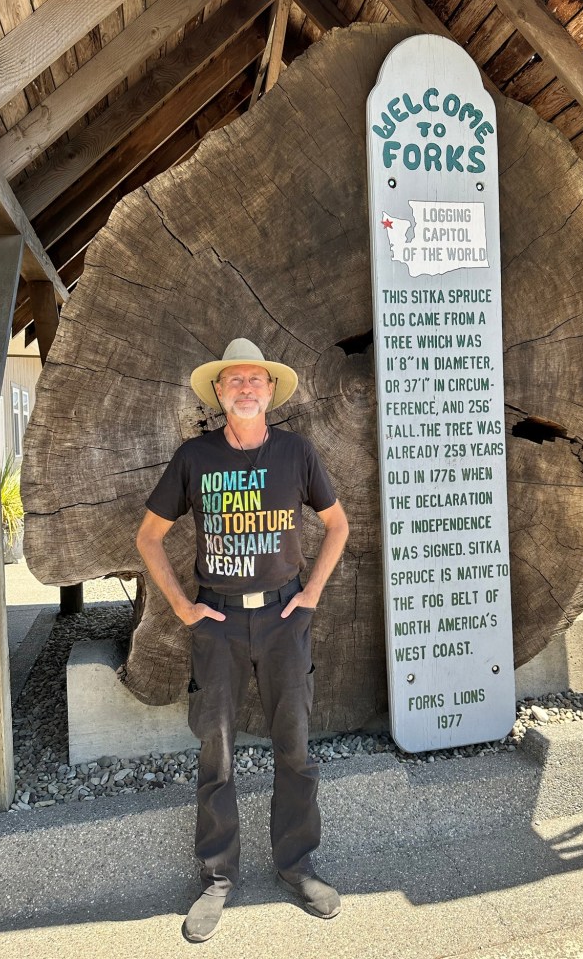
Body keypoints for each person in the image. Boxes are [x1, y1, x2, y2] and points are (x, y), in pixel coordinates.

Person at [136, 338, 349, 942]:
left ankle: (297, 865)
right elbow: (148, 537)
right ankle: (217, 878)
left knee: (295, 747)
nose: (247, 388)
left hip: (284, 619)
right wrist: (184, 608)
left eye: (257, 379)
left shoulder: (296, 452)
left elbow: (337, 525)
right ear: (219, 392)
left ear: (271, 391)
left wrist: (311, 593)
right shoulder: (194, 457)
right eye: (236, 380)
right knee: (217, 752)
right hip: (219, 623)